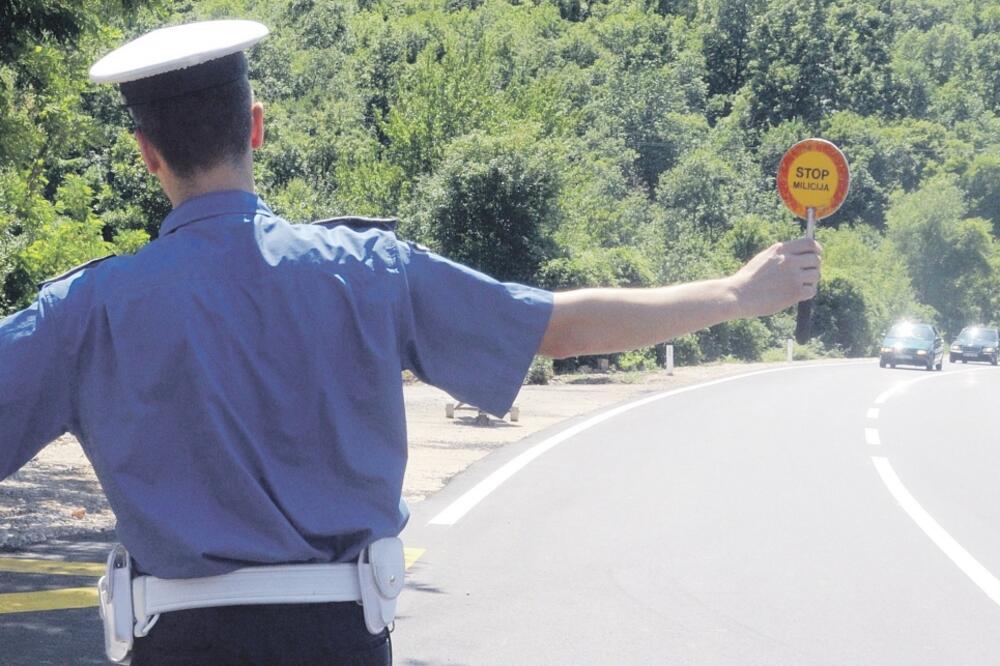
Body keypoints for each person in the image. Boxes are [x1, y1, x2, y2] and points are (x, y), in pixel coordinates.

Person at [0, 19, 821, 666]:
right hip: (340, 642)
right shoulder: (364, 272)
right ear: (255, 125)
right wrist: (737, 293)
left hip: (177, 646)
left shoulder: (87, 308)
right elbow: (558, 326)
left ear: (147, 156)